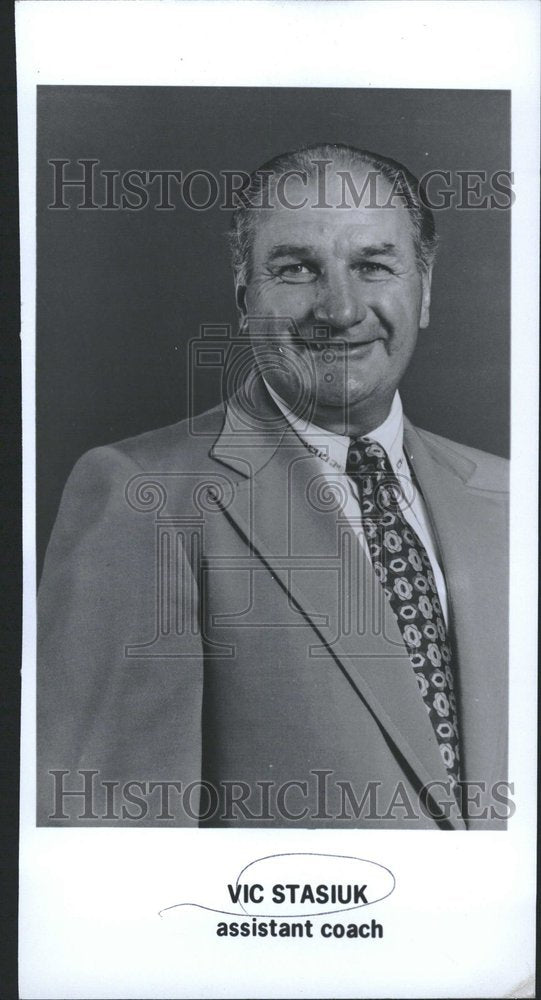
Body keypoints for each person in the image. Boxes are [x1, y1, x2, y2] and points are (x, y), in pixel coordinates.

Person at [37, 143, 509, 830]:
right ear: (244, 295)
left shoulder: (510, 499)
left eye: (373, 266)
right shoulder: (145, 497)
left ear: (425, 288)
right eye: (296, 270)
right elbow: (114, 864)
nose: (340, 308)